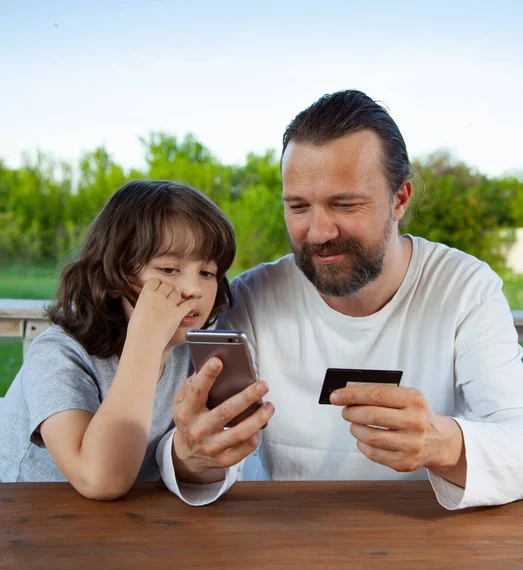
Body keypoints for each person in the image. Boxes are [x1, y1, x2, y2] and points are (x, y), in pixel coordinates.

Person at [158, 90, 523, 510]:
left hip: (431, 540)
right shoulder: (253, 297)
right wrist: (191, 455)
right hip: (290, 539)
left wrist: (447, 445)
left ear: (399, 199)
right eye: (298, 207)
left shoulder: (465, 288)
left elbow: (516, 438)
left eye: (344, 204)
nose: (318, 232)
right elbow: (209, 450)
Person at [0, 180, 272, 501]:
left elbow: (182, 467)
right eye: (170, 269)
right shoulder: (59, 354)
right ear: (113, 277)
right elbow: (100, 479)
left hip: (129, 529)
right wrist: (145, 340)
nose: (194, 289)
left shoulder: (191, 357)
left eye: (207, 272)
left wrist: (200, 456)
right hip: (29, 523)